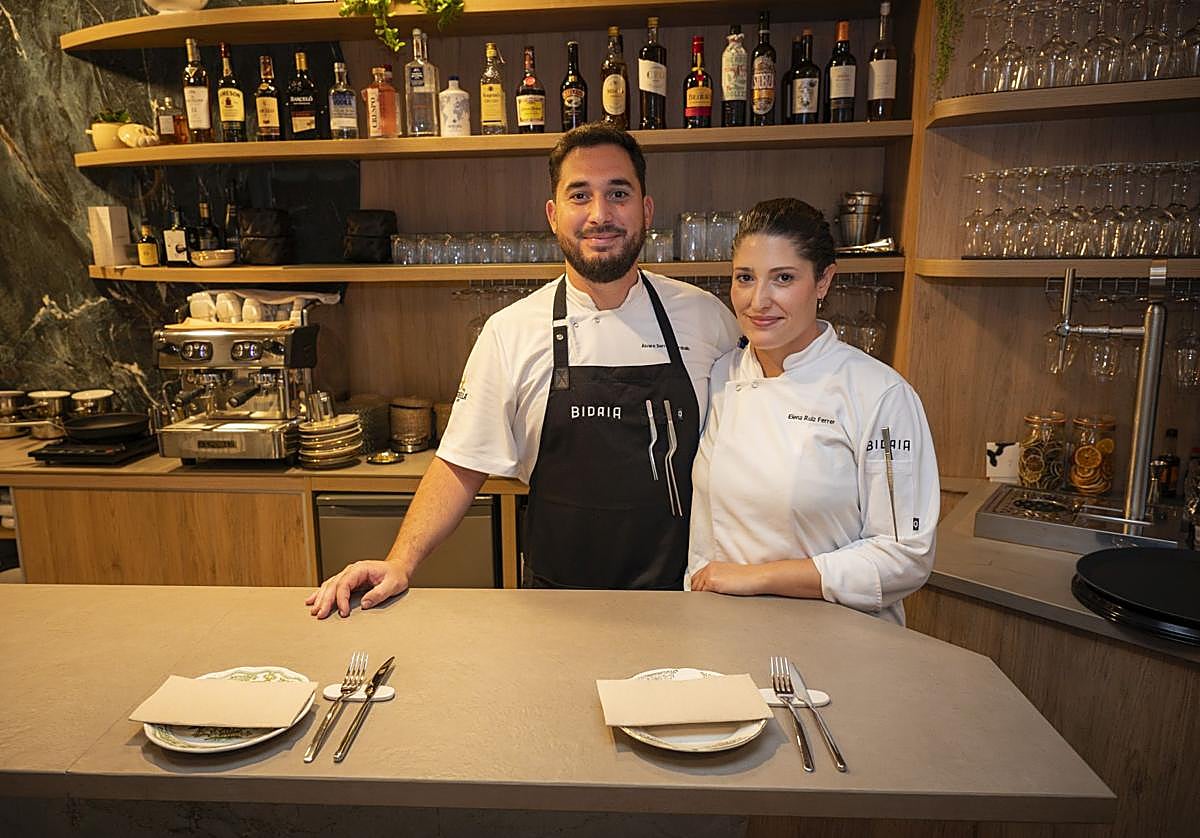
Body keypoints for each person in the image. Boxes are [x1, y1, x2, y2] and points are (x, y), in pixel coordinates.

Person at [307, 124, 739, 617]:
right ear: (554, 216)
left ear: (646, 209)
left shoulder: (708, 319)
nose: (601, 215)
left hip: (685, 600)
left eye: (618, 193)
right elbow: (460, 464)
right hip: (556, 608)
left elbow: (749, 448)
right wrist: (400, 561)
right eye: (581, 195)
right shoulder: (510, 332)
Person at [686, 198, 938, 625]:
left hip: (837, 640)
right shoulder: (717, 376)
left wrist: (758, 579)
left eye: (783, 278)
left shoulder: (880, 395)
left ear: (824, 282)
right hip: (718, 629)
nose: (758, 300)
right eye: (745, 278)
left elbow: (904, 554)